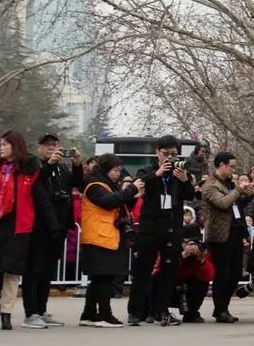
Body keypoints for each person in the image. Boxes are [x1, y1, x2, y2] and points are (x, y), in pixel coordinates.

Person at [0, 131, 60, 330]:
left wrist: (53, 224)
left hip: (18, 225)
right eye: (0, 144)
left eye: (5, 144)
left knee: (12, 272)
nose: (1, 148)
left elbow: (42, 198)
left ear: (15, 146)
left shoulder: (29, 171)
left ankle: (6, 314)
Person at [128, 135, 195, 326]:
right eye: (166, 153)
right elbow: (138, 185)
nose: (170, 158)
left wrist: (184, 180)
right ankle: (136, 311)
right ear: (157, 152)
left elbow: (190, 195)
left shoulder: (179, 173)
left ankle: (162, 310)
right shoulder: (147, 171)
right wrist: (157, 174)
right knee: (143, 270)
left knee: (168, 271)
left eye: (173, 154)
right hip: (150, 227)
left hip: (172, 226)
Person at [23, 133, 84, 329]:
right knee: (34, 269)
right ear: (38, 147)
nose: (51, 148)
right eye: (47, 145)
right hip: (39, 225)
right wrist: (49, 164)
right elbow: (35, 187)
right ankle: (31, 312)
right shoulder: (34, 165)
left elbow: (77, 184)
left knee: (48, 270)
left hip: (59, 225)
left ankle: (41, 309)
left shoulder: (62, 168)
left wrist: (76, 164)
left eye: (54, 144)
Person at [79, 153, 143, 327]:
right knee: (104, 279)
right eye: (115, 170)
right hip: (97, 237)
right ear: (106, 169)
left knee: (100, 279)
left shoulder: (107, 185)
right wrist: (130, 190)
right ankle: (104, 315)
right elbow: (108, 202)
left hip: (105, 237)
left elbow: (118, 205)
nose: (118, 174)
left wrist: (131, 197)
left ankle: (89, 314)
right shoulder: (94, 185)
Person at [200, 151, 253, 324]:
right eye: (232, 166)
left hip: (236, 232)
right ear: (221, 165)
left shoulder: (229, 184)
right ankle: (221, 309)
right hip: (220, 235)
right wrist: (238, 190)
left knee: (236, 271)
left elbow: (235, 206)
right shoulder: (210, 185)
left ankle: (222, 307)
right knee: (222, 273)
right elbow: (223, 203)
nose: (233, 170)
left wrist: (247, 194)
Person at [171, 227, 215, 323]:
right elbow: (164, 271)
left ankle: (191, 314)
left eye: (196, 242)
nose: (193, 246)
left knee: (202, 284)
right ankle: (156, 311)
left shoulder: (202, 252)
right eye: (189, 243)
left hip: (189, 289)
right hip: (171, 288)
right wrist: (183, 256)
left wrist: (201, 260)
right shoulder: (172, 249)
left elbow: (209, 276)